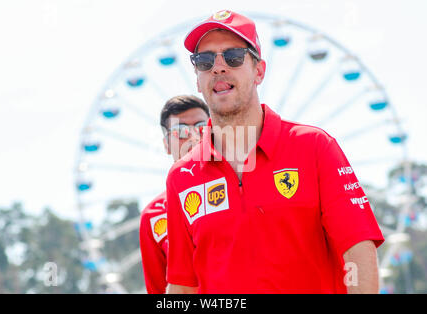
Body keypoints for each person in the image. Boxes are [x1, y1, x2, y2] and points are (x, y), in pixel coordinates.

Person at [165, 10, 385, 294]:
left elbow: (357, 250)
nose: (218, 67)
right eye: (204, 61)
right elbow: (182, 285)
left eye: (233, 57)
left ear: (259, 71)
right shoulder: (181, 176)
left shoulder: (315, 146)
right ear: (197, 80)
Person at [139, 95, 209, 294]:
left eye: (201, 127)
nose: (193, 137)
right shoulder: (152, 216)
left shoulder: (239, 188)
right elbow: (158, 289)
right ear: (167, 144)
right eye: (180, 132)